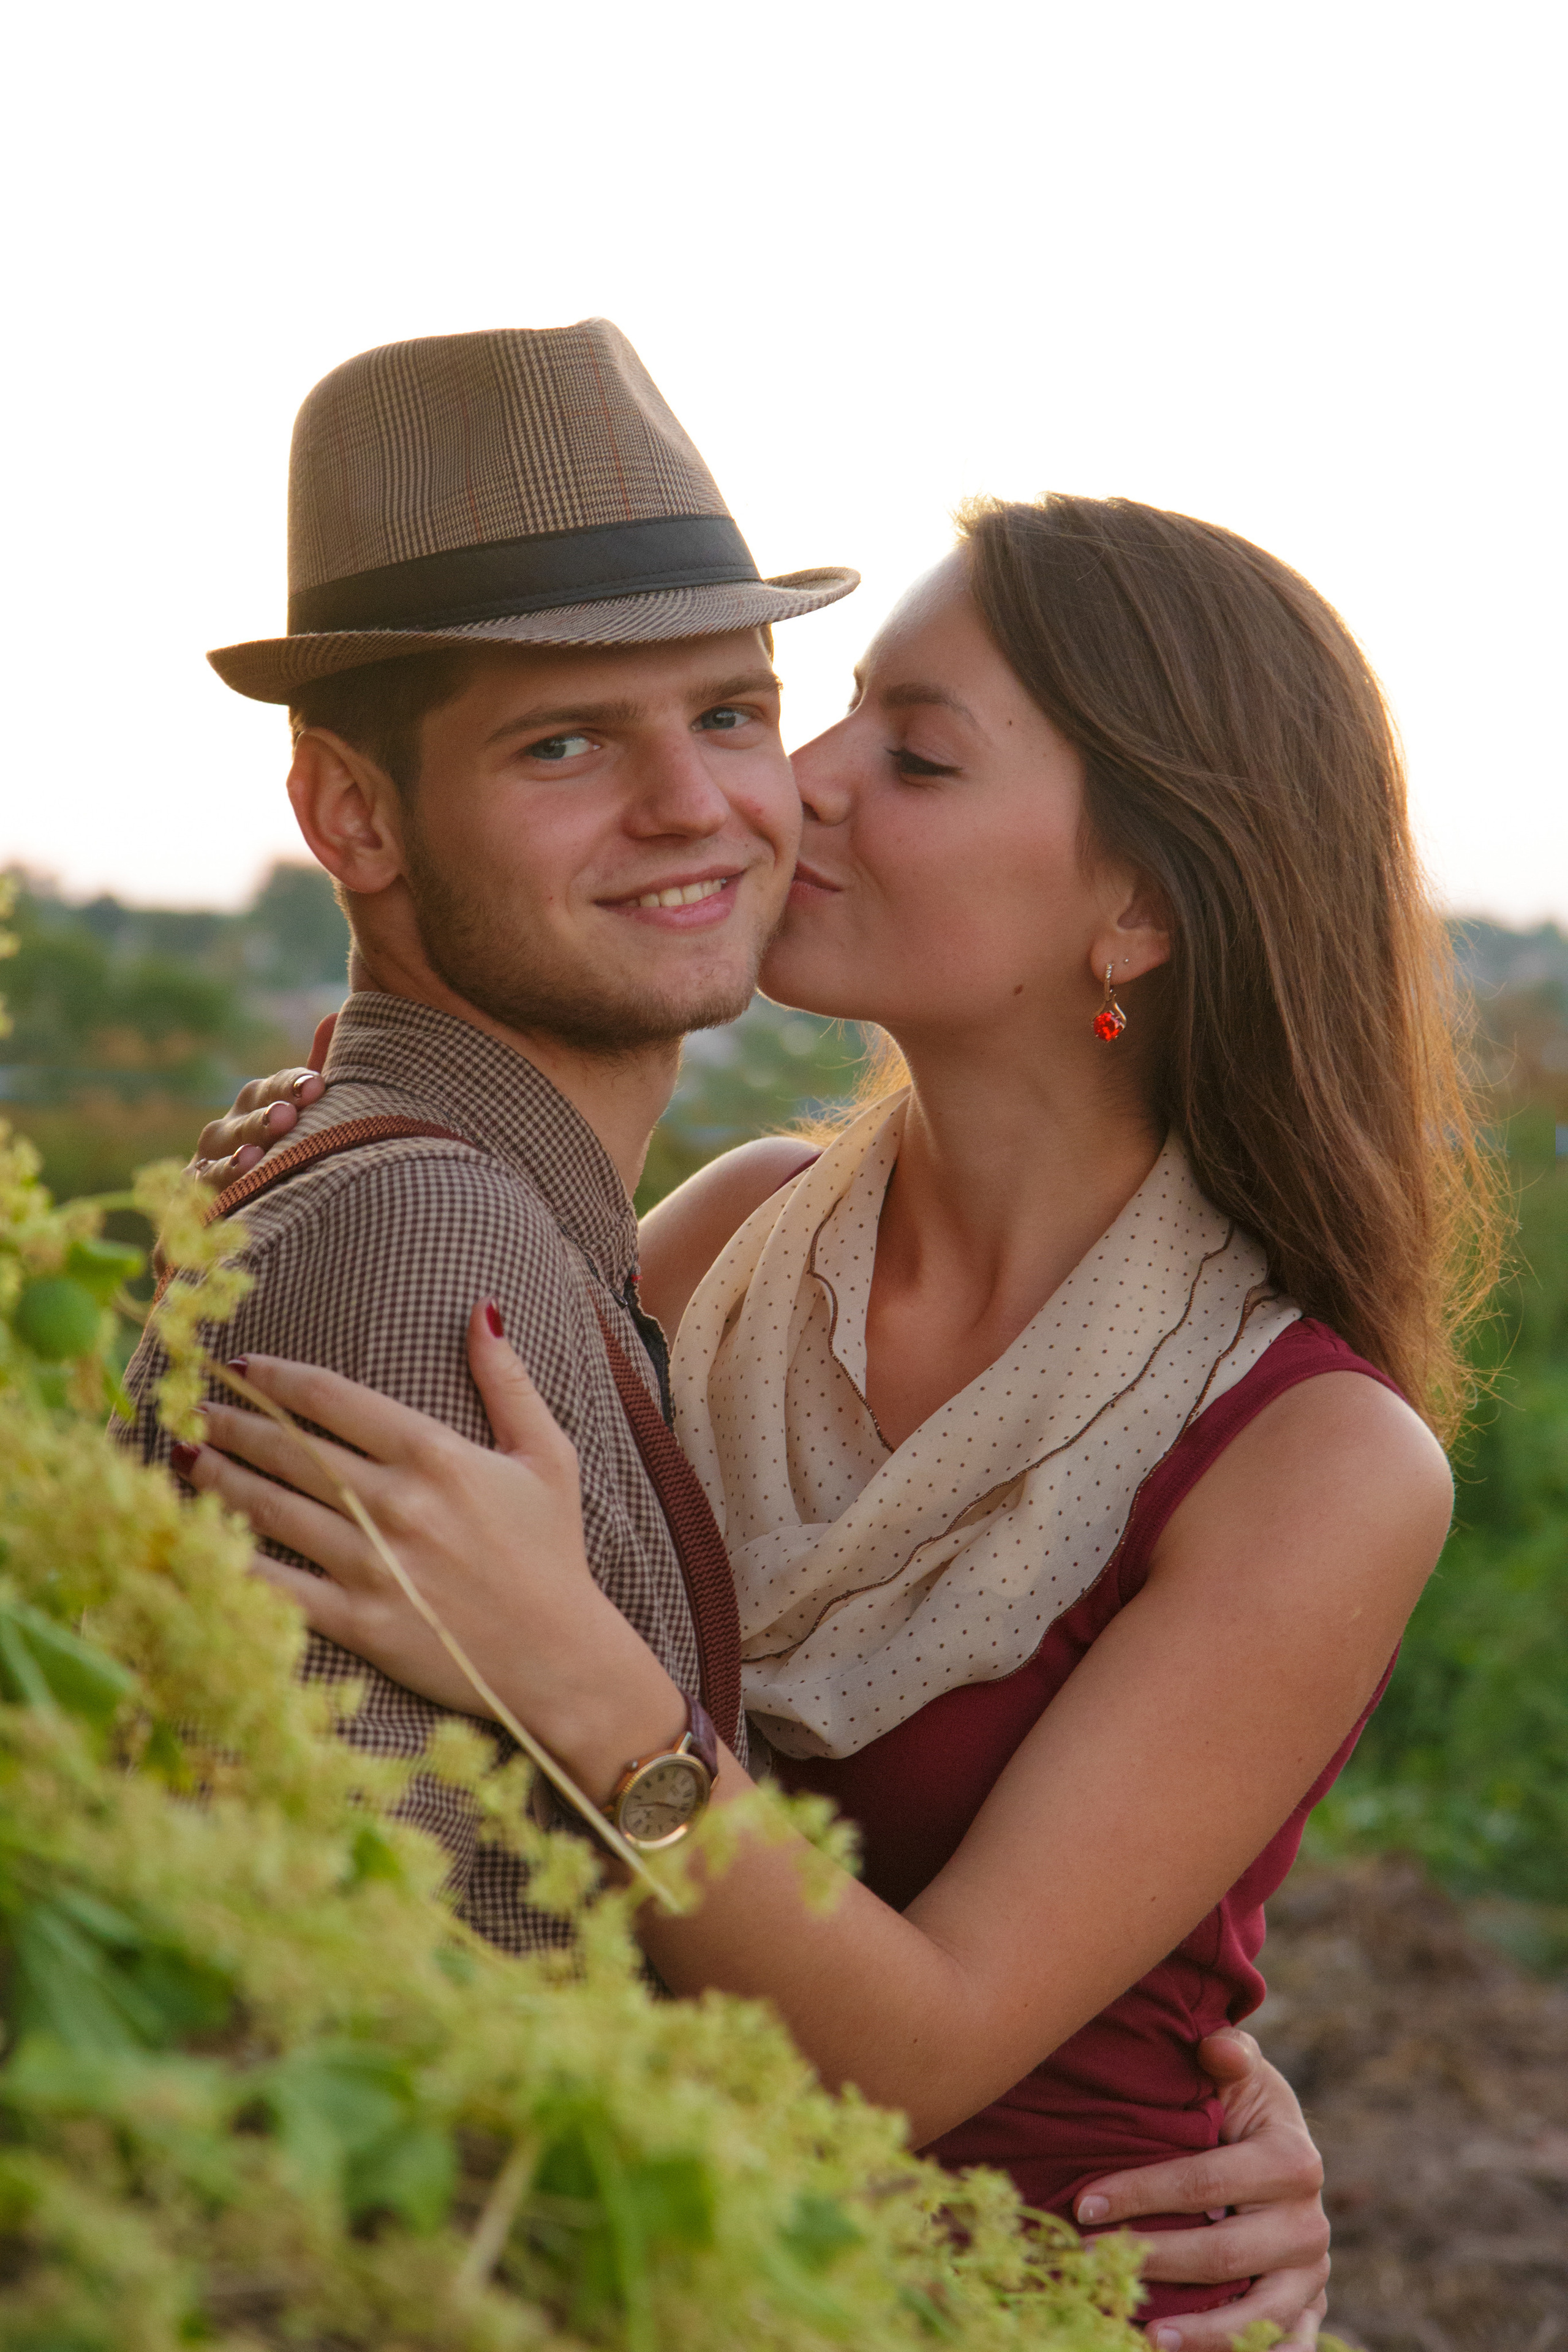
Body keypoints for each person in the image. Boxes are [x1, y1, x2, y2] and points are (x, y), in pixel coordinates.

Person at [170, 491, 1487, 2343]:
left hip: (1026, 2302)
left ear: (1138, 910)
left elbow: (936, 2044)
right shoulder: (725, 1241)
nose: (805, 777)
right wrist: (312, 1148)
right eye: (839, 707)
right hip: (680, 2259)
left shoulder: (1312, 1460)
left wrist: (586, 1681)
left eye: (919, 756)